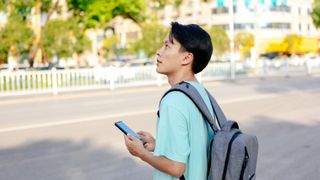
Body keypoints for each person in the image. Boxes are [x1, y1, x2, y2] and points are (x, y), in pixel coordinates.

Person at [123, 22, 215, 180]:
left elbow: (176, 168)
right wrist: (157, 145)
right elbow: (197, 148)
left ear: (186, 58)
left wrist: (142, 153)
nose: (158, 52)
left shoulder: (174, 100)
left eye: (167, 46)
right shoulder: (200, 92)